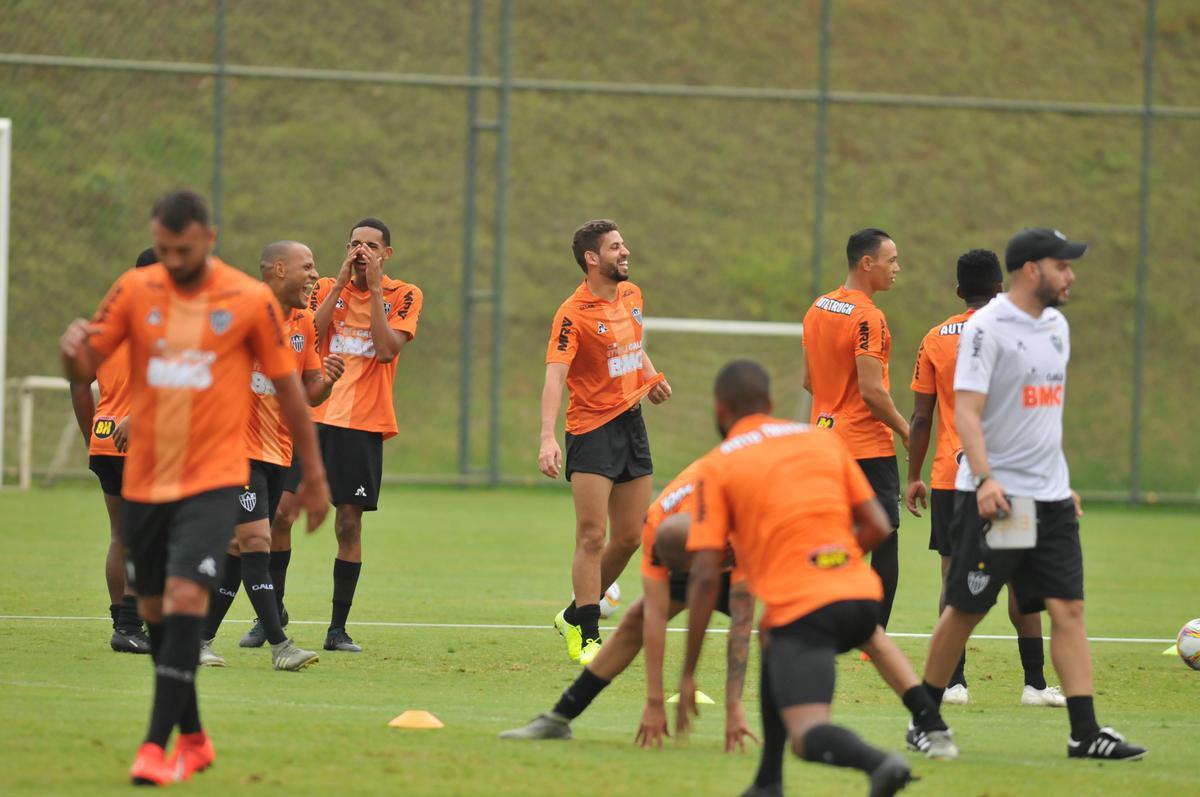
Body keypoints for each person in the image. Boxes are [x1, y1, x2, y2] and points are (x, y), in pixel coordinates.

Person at [59, 190, 330, 785]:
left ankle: (154, 749)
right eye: (161, 249)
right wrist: (73, 355)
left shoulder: (246, 300)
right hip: (150, 473)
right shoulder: (136, 290)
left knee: (184, 600)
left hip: (215, 471)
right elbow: (87, 368)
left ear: (207, 241)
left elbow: (290, 390)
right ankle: (196, 738)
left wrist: (312, 473)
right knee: (157, 614)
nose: (170, 261)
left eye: (180, 250)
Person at [676, 360, 957, 797]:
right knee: (782, 637)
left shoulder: (718, 465)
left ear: (718, 408)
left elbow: (706, 575)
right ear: (770, 403)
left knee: (808, 736)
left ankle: (879, 763)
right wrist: (837, 559)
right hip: (862, 597)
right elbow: (879, 527)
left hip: (804, 610)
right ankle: (769, 781)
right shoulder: (820, 442)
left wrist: (689, 671)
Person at [916, 228, 1146, 761]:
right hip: (1002, 497)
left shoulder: (1058, 328)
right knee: (966, 607)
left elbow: (1043, 417)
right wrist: (987, 478)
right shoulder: (985, 329)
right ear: (1029, 271)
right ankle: (924, 717)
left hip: (1049, 498)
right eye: (1061, 266)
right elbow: (968, 412)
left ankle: (1084, 732)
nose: (1071, 275)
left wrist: (1061, 485)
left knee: (1068, 608)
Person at [499, 461, 757, 749]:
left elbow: (742, 623)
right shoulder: (656, 524)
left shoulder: (741, 520)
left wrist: (732, 704)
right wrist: (654, 701)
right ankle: (558, 719)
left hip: (747, 546)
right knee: (635, 621)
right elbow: (654, 616)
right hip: (693, 539)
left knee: (781, 627)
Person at [906, 248, 1063, 708]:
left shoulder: (936, 337)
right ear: (1000, 287)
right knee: (1020, 576)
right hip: (1008, 476)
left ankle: (953, 683)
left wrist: (912, 475)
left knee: (953, 577)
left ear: (958, 292)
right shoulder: (1017, 332)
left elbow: (921, 417)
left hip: (950, 477)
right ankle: (1034, 684)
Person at [200, 241, 345, 670]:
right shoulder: (239, 313)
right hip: (234, 448)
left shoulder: (303, 323)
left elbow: (308, 393)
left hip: (276, 450)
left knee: (238, 549)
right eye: (308, 266)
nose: (315, 275)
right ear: (278, 269)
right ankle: (281, 646)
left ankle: (198, 639)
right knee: (257, 541)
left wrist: (329, 381)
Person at [539, 219, 672, 666]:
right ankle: (588, 635)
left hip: (632, 425)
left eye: (623, 244)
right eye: (616, 247)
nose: (625, 252)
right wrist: (546, 437)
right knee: (592, 536)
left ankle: (575, 613)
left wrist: (648, 375)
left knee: (632, 536)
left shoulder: (632, 295)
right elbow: (555, 374)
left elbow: (632, 343)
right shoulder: (571, 313)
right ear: (592, 259)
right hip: (591, 430)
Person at [309, 218, 422, 652]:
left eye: (371, 246)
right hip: (313, 414)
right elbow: (309, 335)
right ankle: (270, 616)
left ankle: (337, 629)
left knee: (348, 522)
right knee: (280, 513)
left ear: (386, 254)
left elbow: (387, 349)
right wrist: (339, 285)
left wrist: (374, 289)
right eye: (355, 244)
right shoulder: (323, 287)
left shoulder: (404, 294)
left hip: (361, 423)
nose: (361, 251)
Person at [802, 228, 906, 633]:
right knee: (884, 538)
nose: (897, 268)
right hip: (866, 445)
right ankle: (871, 634)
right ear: (868, 263)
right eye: (892, 260)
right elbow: (872, 391)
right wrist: (904, 429)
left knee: (830, 536)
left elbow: (809, 380)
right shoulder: (869, 317)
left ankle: (818, 618)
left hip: (823, 442)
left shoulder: (818, 307)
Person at [69, 247, 157, 654]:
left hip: (106, 440)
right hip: (144, 440)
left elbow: (78, 381)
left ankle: (125, 620)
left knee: (121, 535)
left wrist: (92, 434)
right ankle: (129, 624)